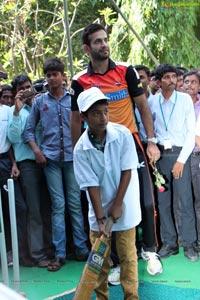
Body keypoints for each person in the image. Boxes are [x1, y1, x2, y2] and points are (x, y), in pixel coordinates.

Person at [70, 23, 162, 276]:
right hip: (99, 147)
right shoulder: (79, 81)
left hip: (130, 142)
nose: (104, 45)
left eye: (105, 39)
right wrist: (81, 152)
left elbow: (143, 107)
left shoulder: (126, 70)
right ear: (88, 48)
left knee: (144, 200)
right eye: (98, 42)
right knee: (109, 203)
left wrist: (151, 140)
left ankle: (150, 251)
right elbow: (75, 120)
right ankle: (118, 263)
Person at [73, 86, 141, 300]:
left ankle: (132, 297)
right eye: (95, 113)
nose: (102, 118)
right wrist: (101, 218)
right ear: (83, 117)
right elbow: (91, 185)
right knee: (99, 261)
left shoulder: (122, 134)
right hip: (99, 208)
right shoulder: (81, 149)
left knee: (128, 257)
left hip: (124, 205)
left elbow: (127, 171)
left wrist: (118, 204)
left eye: (105, 111)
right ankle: (102, 297)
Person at [23, 57, 89, 272]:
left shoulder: (73, 100)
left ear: (63, 77)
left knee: (75, 204)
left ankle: (81, 248)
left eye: (55, 74)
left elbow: (85, 125)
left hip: (72, 159)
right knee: (58, 205)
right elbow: (29, 130)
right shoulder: (40, 102)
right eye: (48, 75)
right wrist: (37, 151)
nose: (52, 78)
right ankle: (59, 253)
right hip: (50, 160)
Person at [149, 63, 198, 261]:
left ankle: (189, 244)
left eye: (173, 77)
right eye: (166, 77)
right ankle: (169, 243)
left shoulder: (185, 100)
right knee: (163, 203)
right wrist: (151, 148)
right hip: (160, 156)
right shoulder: (152, 102)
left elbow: (190, 134)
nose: (172, 80)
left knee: (185, 201)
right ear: (159, 82)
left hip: (181, 155)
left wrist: (181, 160)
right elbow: (148, 130)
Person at [8, 74, 51, 267]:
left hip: (49, 162)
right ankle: (38, 254)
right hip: (28, 164)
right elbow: (14, 137)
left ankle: (52, 249)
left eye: (28, 86)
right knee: (34, 210)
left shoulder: (41, 103)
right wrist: (17, 110)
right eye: (22, 88)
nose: (26, 90)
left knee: (50, 208)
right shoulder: (14, 112)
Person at [183, 70, 200, 250]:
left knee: (198, 200)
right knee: (183, 200)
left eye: (194, 82)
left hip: (197, 155)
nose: (189, 85)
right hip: (180, 156)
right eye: (186, 82)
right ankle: (186, 239)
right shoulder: (179, 104)